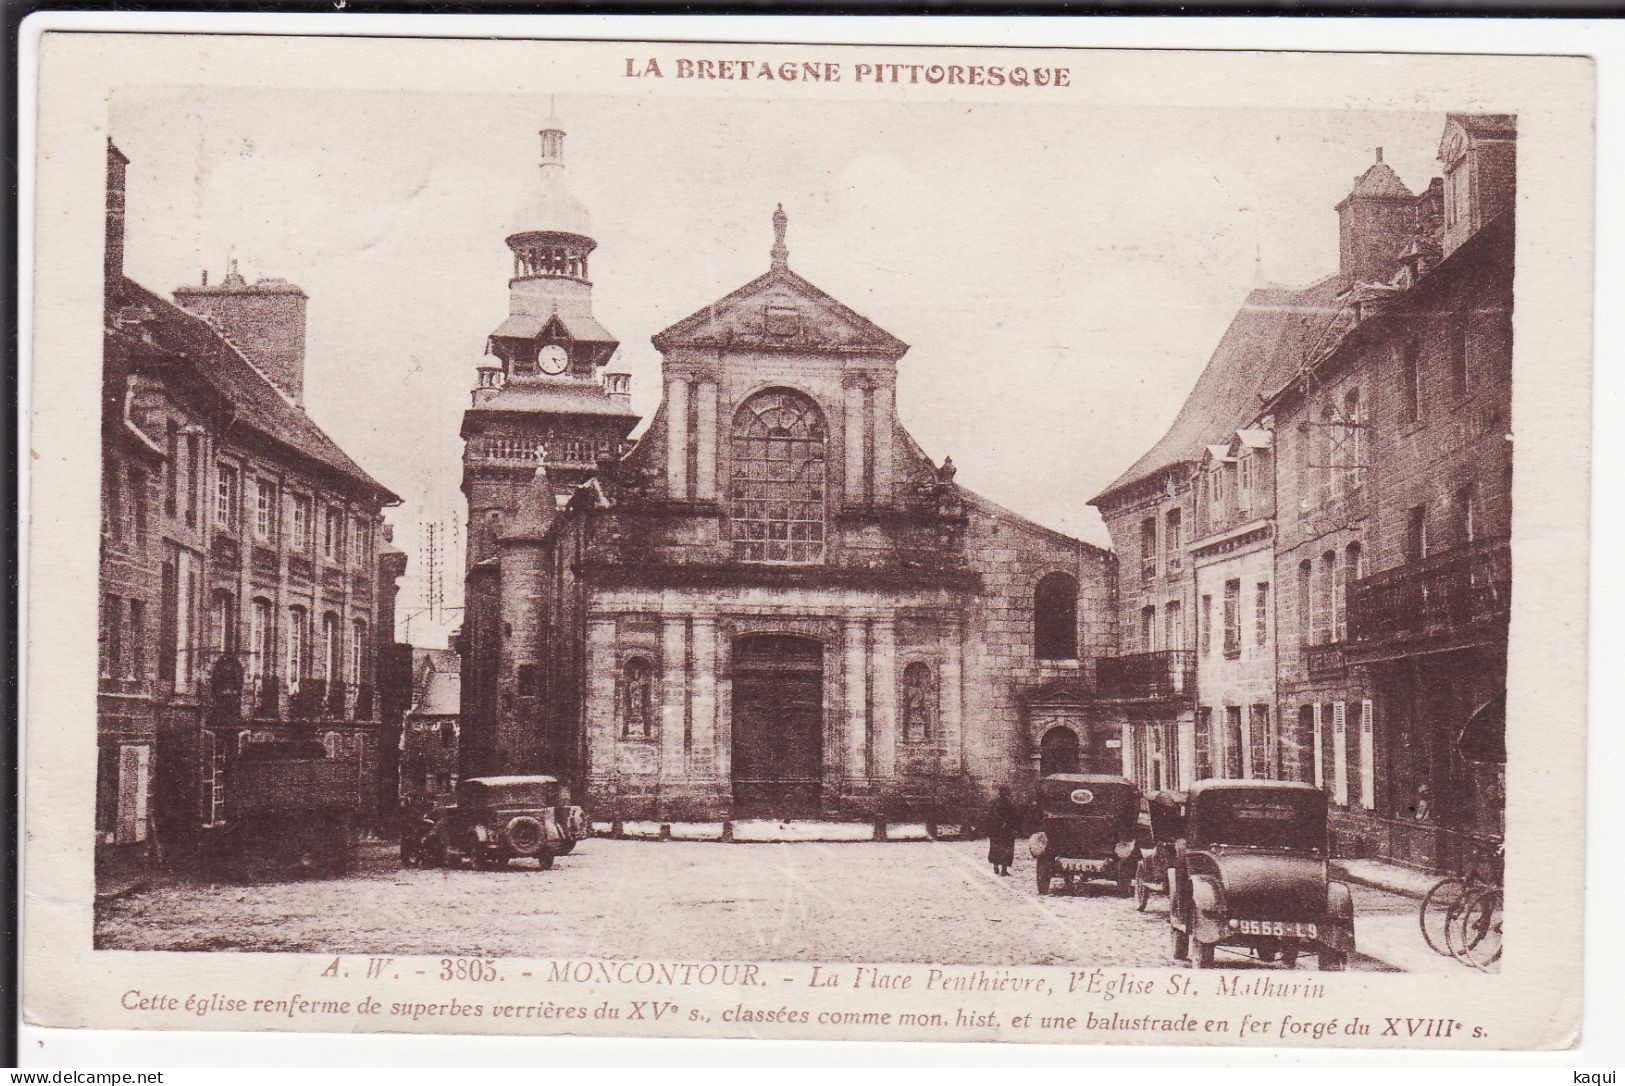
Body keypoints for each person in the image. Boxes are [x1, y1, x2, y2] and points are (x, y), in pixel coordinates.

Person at [987, 786, 1020, 876]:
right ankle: (1003, 870)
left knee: (995, 848)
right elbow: (1015, 817)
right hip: (1006, 830)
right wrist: (1014, 828)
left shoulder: (993, 803)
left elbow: (989, 817)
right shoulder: (1010, 804)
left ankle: (996, 866)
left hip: (995, 831)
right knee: (1006, 849)